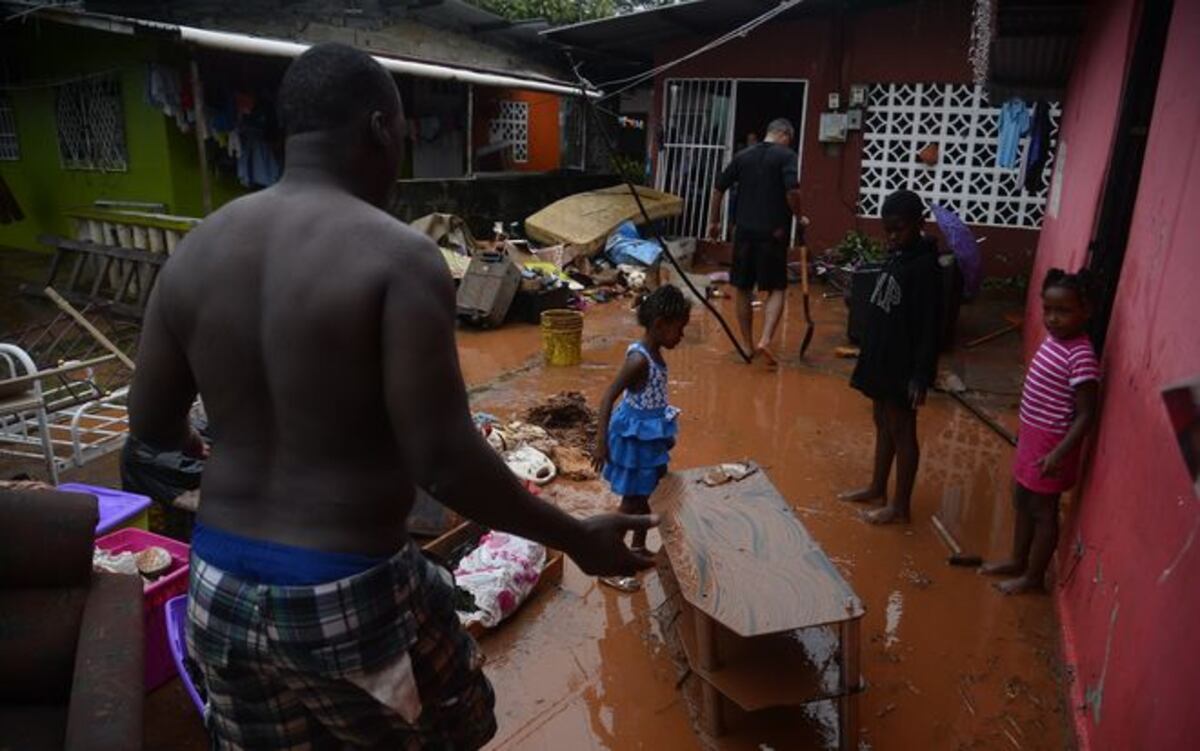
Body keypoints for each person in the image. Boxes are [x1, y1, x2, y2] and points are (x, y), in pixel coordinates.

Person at [127, 43, 655, 749]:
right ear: (380, 127)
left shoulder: (197, 249)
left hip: (218, 582)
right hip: (344, 593)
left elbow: (151, 425)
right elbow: (443, 461)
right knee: (451, 729)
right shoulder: (398, 256)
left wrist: (216, 442)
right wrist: (576, 536)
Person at [981, 269, 1099, 594]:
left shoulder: (1081, 356)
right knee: (1021, 498)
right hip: (1033, 436)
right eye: (1048, 309)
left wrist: (1058, 454)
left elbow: (1086, 414)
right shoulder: (1054, 341)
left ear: (1086, 311)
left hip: (1054, 444)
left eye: (1063, 311)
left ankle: (1034, 577)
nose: (1053, 318)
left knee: (1043, 511)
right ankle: (1017, 560)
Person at [839, 189, 942, 524]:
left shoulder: (926, 268)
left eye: (899, 229)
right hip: (880, 357)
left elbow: (930, 327)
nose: (893, 236)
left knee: (902, 429)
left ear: (919, 224)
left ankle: (900, 506)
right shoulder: (897, 255)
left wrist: (921, 375)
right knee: (882, 421)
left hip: (903, 363)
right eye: (888, 230)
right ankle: (877, 487)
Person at [593, 285, 692, 590]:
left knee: (648, 493)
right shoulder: (639, 361)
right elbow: (608, 396)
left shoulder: (655, 354)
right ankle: (606, 563)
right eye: (679, 328)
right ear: (660, 324)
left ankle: (637, 546)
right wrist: (600, 441)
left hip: (649, 437)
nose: (682, 335)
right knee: (631, 501)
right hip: (634, 440)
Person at [707, 118, 803, 366]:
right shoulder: (787, 156)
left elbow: (718, 189)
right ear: (784, 134)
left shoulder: (743, 156)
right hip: (774, 234)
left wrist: (714, 222)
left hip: (744, 233)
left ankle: (747, 345)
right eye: (789, 139)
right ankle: (765, 340)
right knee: (777, 288)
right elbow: (793, 191)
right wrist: (799, 216)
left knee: (742, 288)